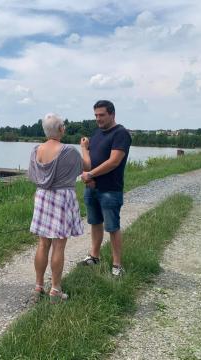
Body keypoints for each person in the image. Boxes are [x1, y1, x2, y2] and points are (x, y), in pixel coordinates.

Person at [28, 113, 84, 304]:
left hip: (43, 195)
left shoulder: (36, 150)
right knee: (59, 245)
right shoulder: (69, 151)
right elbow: (85, 168)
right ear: (60, 129)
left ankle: (38, 286)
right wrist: (85, 148)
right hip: (62, 197)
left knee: (43, 244)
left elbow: (33, 176)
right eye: (64, 126)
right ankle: (55, 290)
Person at [79, 100, 131, 276]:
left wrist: (91, 174)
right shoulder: (97, 134)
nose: (98, 119)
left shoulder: (121, 133)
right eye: (96, 115)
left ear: (112, 114)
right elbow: (89, 163)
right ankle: (95, 256)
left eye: (101, 115)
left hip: (110, 189)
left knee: (112, 227)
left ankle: (117, 265)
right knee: (95, 223)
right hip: (92, 188)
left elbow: (114, 161)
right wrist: (84, 149)